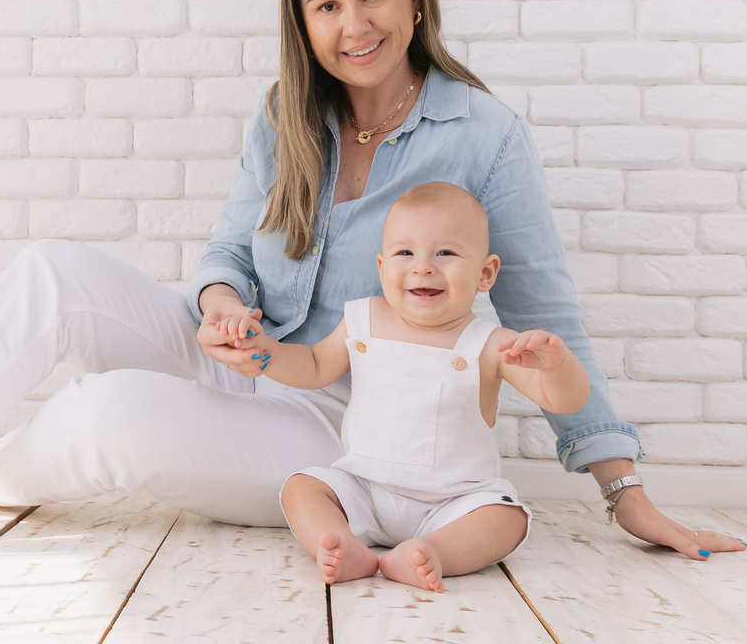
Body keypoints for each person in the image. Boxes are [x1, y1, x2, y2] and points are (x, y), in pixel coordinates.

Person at [0, 0, 743, 564]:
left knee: (104, 415)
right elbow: (226, 253)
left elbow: (545, 311)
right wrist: (217, 308)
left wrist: (625, 489)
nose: (356, 25)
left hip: (334, 421)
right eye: (328, 4)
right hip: (247, 354)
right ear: (303, 20)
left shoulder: (483, 134)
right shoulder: (287, 113)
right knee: (52, 275)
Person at [216, 181, 590, 591]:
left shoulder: (491, 344)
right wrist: (264, 350)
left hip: (454, 503)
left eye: (445, 253)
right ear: (381, 267)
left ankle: (433, 552)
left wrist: (557, 368)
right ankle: (340, 543)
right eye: (404, 253)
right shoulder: (365, 319)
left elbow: (565, 401)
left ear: (485, 274)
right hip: (366, 489)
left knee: (507, 517)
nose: (423, 266)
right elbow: (314, 365)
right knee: (302, 487)